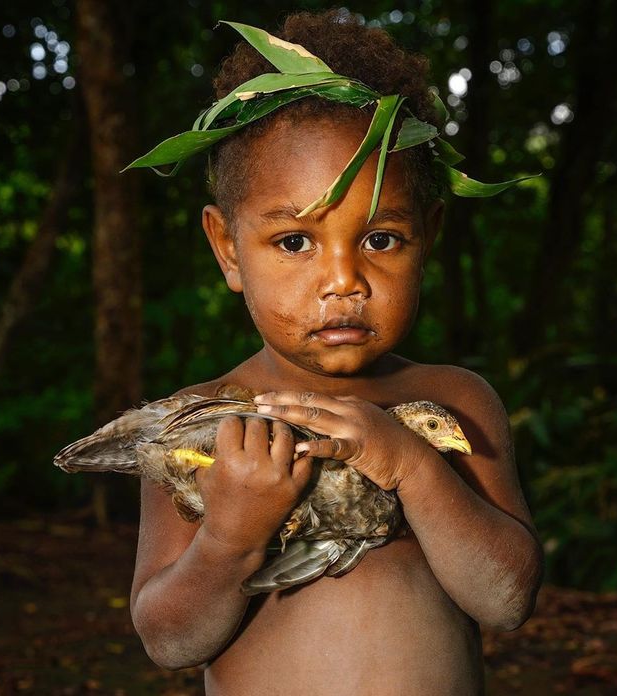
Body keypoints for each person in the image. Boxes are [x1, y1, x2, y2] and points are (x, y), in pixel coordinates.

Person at [129, 10, 542, 695]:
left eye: (381, 239)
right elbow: (169, 642)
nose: (344, 280)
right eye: (294, 242)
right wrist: (230, 536)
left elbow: (507, 600)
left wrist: (412, 464)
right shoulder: (198, 425)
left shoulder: (456, 405)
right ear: (228, 249)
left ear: (428, 237)